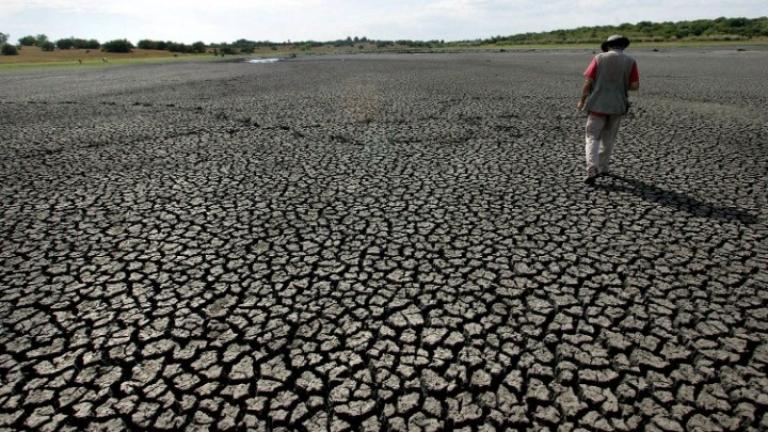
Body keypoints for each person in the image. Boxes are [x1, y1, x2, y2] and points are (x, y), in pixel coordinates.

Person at [577, 35, 640, 184]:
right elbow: (635, 86)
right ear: (623, 46)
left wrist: (582, 100)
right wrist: (621, 83)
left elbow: (588, 82)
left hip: (597, 105)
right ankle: (604, 167)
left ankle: (592, 168)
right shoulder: (630, 61)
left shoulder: (599, 58)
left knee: (592, 137)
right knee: (609, 138)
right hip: (617, 105)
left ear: (608, 45)